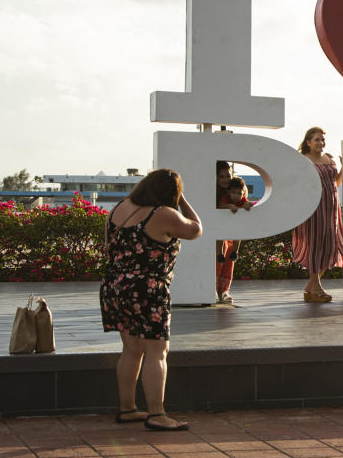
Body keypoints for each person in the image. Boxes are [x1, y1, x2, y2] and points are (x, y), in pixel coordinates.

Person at [100, 169, 202, 431]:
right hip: (147, 291)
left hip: (115, 288)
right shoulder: (163, 213)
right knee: (157, 353)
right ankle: (157, 413)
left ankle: (127, 408)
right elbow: (196, 230)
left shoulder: (119, 209)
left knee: (131, 350)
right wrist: (182, 200)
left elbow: (108, 248)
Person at [293, 127, 343, 302]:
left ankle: (311, 286)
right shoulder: (304, 160)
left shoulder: (329, 158)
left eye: (322, 139)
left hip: (331, 206)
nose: (321, 143)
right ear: (308, 142)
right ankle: (316, 286)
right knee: (315, 245)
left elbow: (336, 182)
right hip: (314, 207)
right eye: (316, 140)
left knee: (331, 245)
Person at [215, 165, 253, 304]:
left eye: (228, 176)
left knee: (229, 257)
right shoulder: (217, 192)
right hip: (216, 230)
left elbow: (244, 202)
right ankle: (212, 288)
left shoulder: (237, 189)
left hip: (230, 231)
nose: (225, 180)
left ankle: (224, 290)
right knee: (219, 255)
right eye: (221, 176)